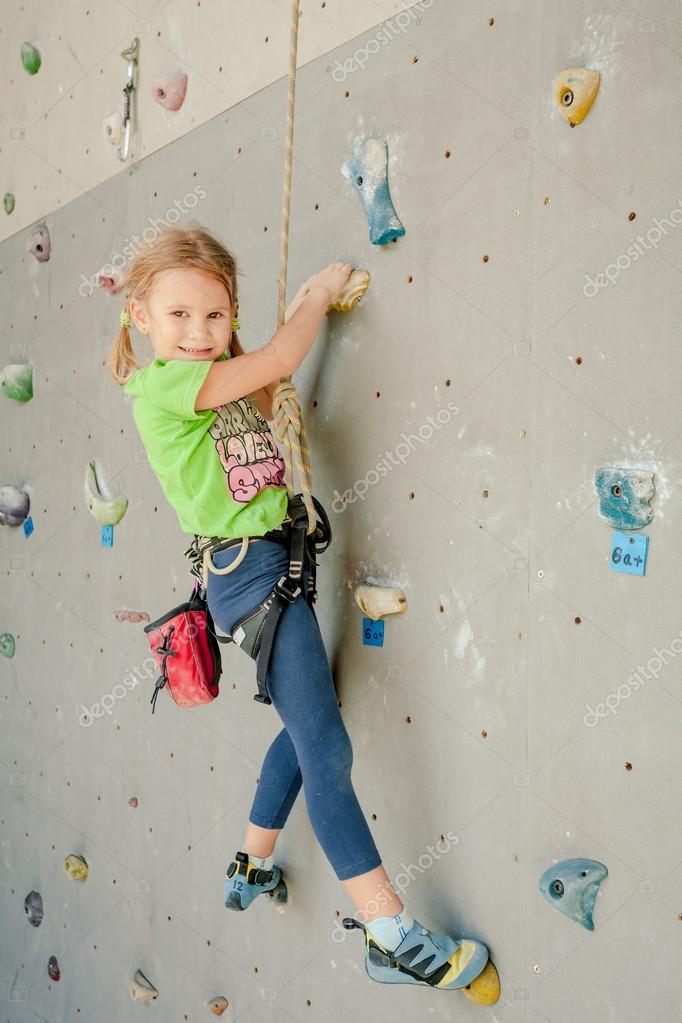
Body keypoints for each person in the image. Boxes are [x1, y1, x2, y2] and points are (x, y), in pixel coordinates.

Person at [108, 224, 492, 992]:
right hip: (253, 578)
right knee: (328, 751)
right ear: (141, 317)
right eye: (179, 315)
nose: (199, 332)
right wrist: (314, 296)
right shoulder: (160, 385)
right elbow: (282, 359)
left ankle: (251, 860)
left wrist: (263, 350)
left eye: (215, 316)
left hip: (270, 566)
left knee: (304, 722)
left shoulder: (218, 374)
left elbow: (265, 373)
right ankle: (388, 933)